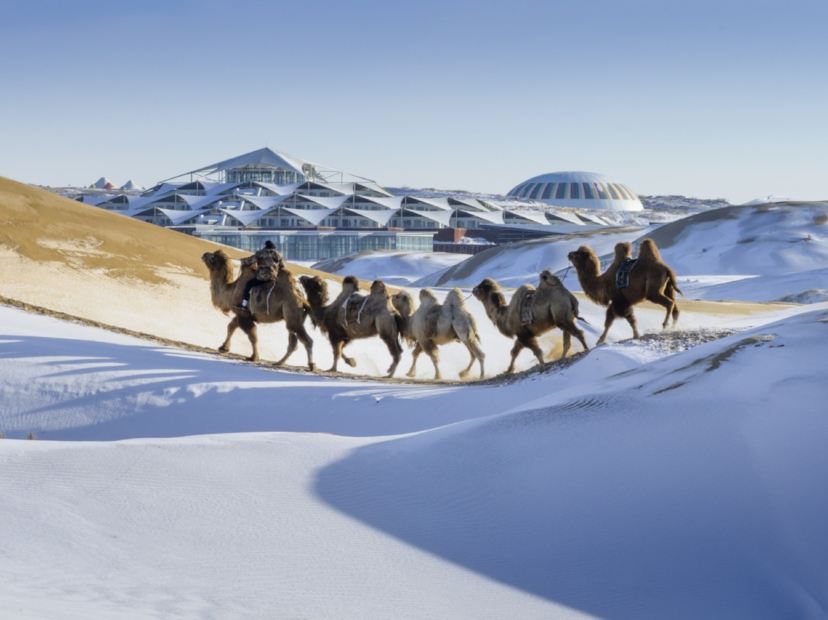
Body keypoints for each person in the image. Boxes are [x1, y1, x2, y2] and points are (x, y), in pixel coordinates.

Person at [235, 240, 283, 313]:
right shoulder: (278, 255)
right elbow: (282, 267)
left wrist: (240, 261)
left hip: (262, 277)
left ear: (266, 246)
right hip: (273, 278)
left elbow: (249, 261)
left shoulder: (260, 253)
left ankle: (244, 305)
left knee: (248, 285)